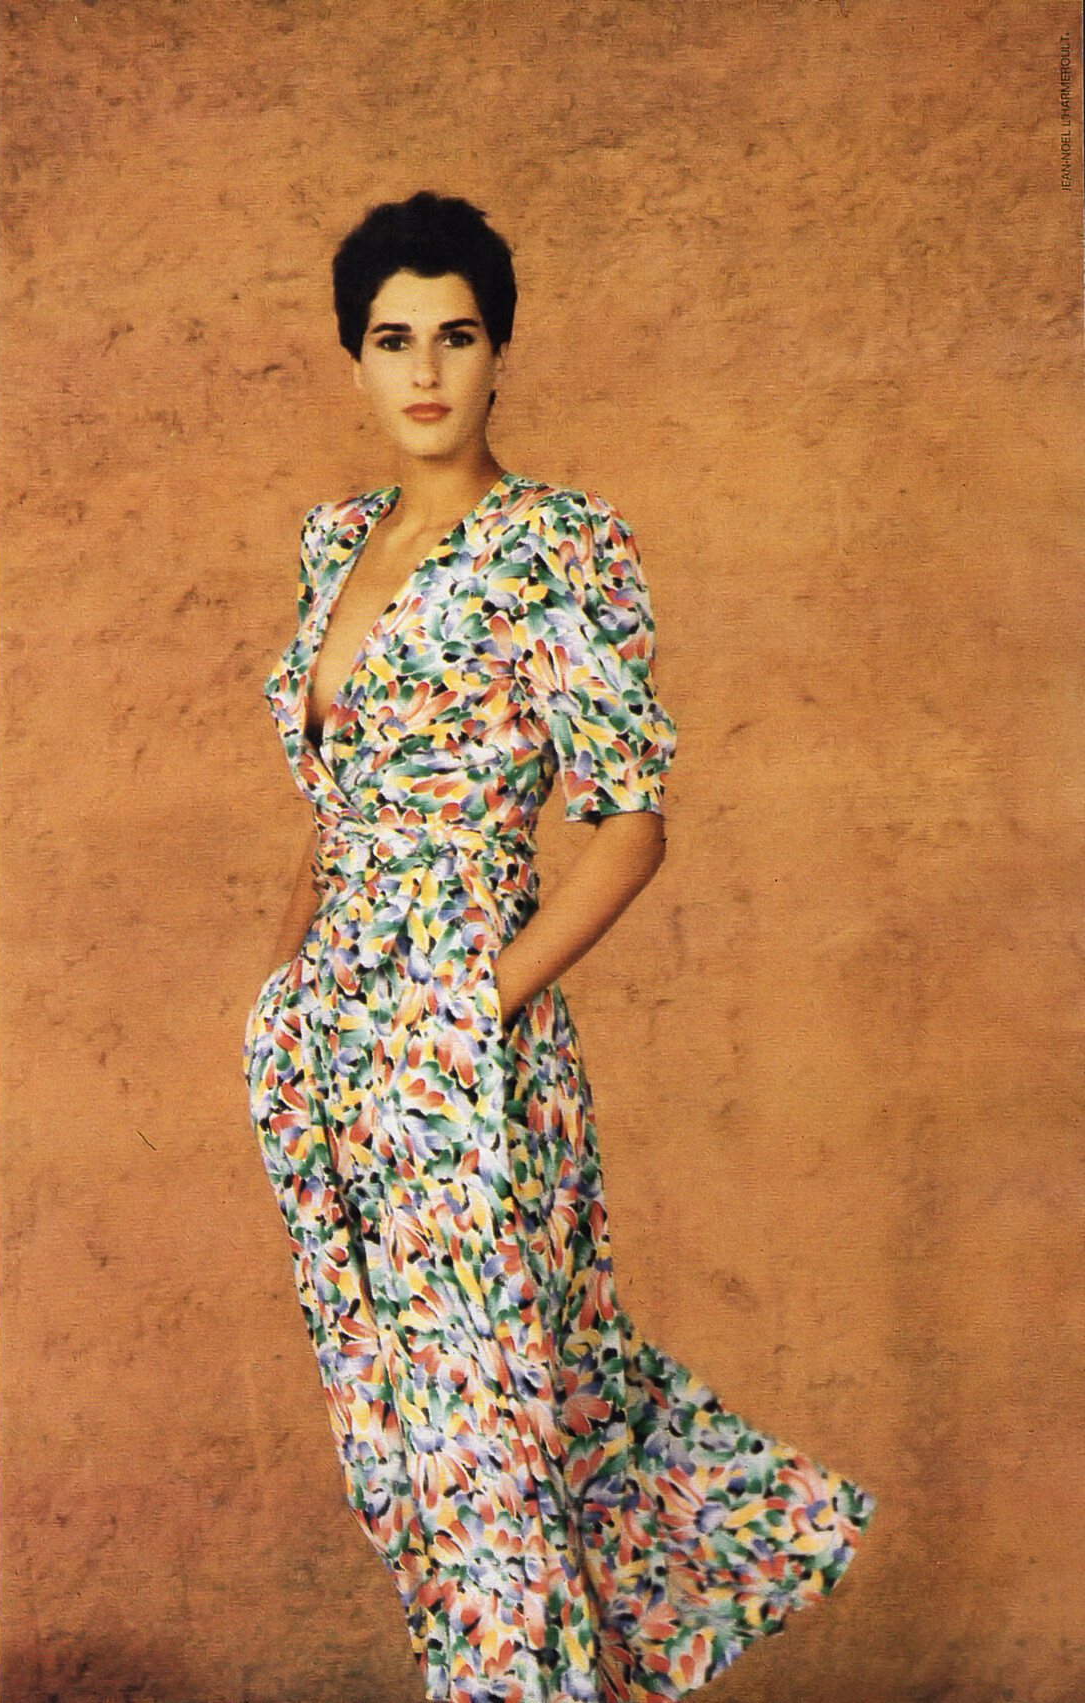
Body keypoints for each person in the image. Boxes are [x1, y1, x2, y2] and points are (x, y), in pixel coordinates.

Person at [243, 191, 873, 1703]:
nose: (425, 371)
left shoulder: (558, 545)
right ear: (353, 357)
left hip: (462, 1040)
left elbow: (632, 825)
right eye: (392, 338)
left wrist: (474, 1009)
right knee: (403, 1444)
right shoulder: (335, 542)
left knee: (497, 1438)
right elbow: (341, 809)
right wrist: (280, 995)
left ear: (500, 350)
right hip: (322, 1051)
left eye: (456, 335)